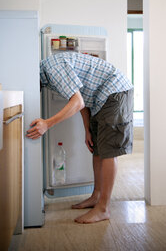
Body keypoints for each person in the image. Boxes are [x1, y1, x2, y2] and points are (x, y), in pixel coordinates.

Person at [26, 51, 133, 224]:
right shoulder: (49, 72)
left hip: (115, 92)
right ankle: (96, 196)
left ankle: (103, 208)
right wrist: (87, 129)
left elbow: (77, 102)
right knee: (97, 150)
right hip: (100, 99)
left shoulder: (53, 69)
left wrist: (47, 123)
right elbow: (80, 97)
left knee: (108, 152)